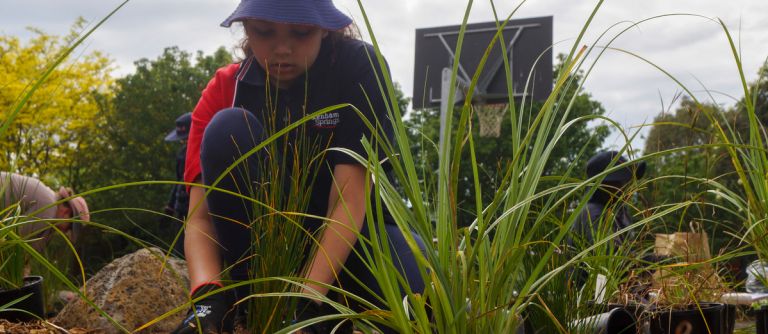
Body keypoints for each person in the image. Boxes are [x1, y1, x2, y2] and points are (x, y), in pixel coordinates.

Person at [173, 1, 426, 333]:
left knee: (419, 304)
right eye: (264, 32)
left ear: (324, 28)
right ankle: (250, 301)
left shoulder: (357, 67)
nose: (282, 48)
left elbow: (348, 203)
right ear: (246, 29)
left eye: (301, 33)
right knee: (227, 128)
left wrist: (306, 305)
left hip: (356, 238)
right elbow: (201, 219)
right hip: (259, 251)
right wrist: (207, 301)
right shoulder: (225, 88)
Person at [1, 172, 90, 252]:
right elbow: (10, 240)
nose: (65, 232)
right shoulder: (48, 210)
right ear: (66, 212)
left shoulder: (50, 200)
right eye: (69, 227)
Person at [164, 112, 192, 257]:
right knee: (180, 245)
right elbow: (178, 179)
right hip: (181, 206)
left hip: (195, 206)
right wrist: (170, 204)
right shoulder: (182, 153)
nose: (185, 142)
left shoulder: (204, 149)